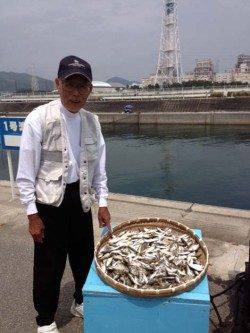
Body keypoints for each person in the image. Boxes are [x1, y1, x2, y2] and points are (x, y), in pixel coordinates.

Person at [16, 55, 111, 333]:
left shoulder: (93, 121)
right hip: (49, 204)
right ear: (58, 84)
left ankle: (79, 300)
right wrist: (32, 214)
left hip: (80, 200)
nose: (76, 93)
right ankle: (45, 319)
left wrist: (102, 202)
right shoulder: (39, 118)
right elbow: (25, 174)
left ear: (90, 89)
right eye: (70, 85)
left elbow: (99, 169)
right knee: (49, 264)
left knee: (84, 258)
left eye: (82, 86)